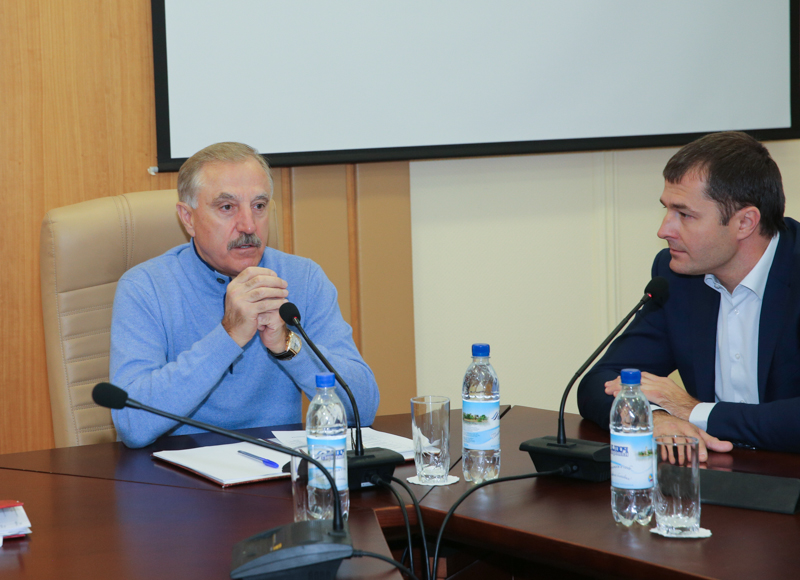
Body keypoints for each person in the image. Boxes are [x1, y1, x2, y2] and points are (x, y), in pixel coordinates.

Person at [109, 142, 379, 448]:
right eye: (227, 207)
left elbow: (363, 409)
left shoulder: (303, 278)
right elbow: (132, 424)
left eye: (259, 206)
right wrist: (228, 336)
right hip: (177, 471)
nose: (249, 225)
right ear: (187, 218)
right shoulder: (145, 288)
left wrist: (288, 345)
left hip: (279, 467)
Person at [577, 131, 800, 458]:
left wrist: (692, 410)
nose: (663, 230)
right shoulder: (677, 277)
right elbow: (600, 381)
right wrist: (655, 418)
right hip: (720, 471)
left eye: (684, 214)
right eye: (667, 210)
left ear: (745, 222)